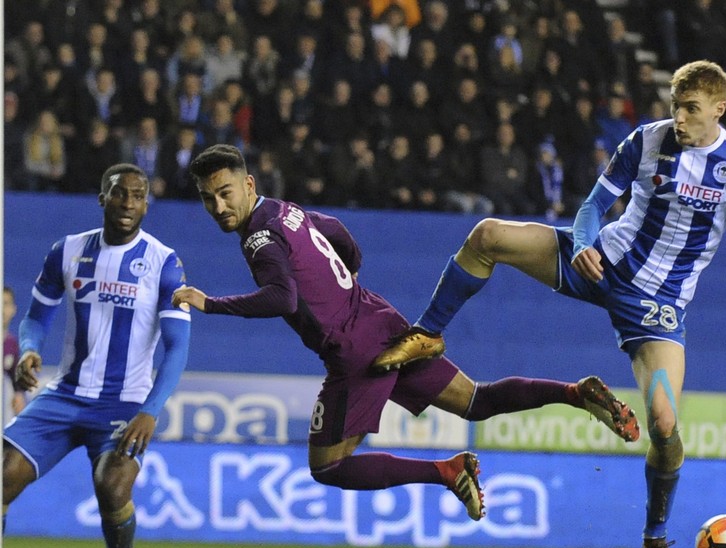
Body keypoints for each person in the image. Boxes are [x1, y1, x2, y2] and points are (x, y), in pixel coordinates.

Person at [371, 60, 726, 548]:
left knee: (663, 424)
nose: (679, 119)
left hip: (658, 306)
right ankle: (427, 332)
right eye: (674, 106)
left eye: (690, 109)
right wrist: (587, 242)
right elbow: (593, 207)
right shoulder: (646, 141)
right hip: (601, 261)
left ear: (718, 108)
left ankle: (655, 540)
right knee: (487, 236)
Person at [173, 144, 639, 527]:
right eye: (208, 197)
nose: (218, 206)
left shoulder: (258, 239)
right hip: (383, 322)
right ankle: (575, 393)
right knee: (475, 400)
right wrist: (349, 271)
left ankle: (446, 471)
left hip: (354, 353)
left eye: (225, 193)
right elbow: (336, 231)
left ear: (248, 184)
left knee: (329, 466)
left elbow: (282, 299)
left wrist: (210, 303)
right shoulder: (284, 211)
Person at [2, 163, 191, 548]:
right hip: (65, 394)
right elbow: (36, 317)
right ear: (102, 198)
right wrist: (29, 350)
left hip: (125, 402)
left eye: (138, 196)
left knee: (112, 485)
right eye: (120, 194)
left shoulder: (164, 262)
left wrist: (150, 410)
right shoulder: (66, 252)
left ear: (147, 203)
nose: (129, 203)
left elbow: (177, 346)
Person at [3, 286, 26, 425]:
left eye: (5, 304)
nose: (1, 310)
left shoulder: (12, 344)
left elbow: (16, 384)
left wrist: (18, 397)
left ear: (13, 309)